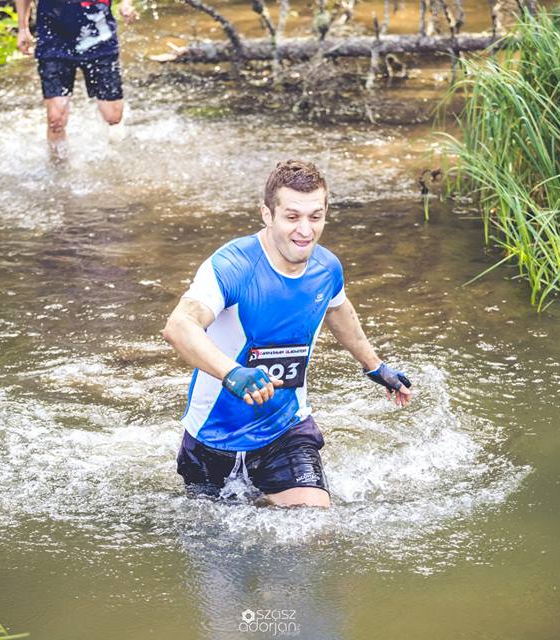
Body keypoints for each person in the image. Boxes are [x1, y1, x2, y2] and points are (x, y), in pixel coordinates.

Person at [162, 160, 413, 509]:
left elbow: (337, 309)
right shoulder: (233, 265)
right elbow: (179, 326)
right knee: (223, 546)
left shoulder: (327, 268)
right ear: (267, 214)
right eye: (292, 217)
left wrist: (375, 366)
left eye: (316, 217)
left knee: (311, 526)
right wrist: (232, 373)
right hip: (213, 437)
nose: (305, 231)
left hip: (286, 429)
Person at [14, 0, 138, 153]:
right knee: (56, 119)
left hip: (99, 38)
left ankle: (118, 154)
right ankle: (59, 171)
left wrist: (126, 4)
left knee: (113, 116)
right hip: (53, 39)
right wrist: (23, 27)